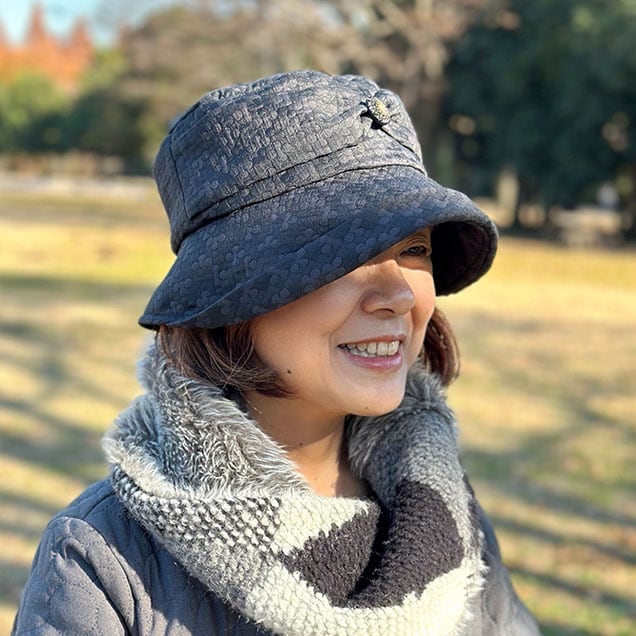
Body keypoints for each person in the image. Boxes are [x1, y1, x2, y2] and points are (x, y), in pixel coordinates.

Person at [12, 70, 540, 635]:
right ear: (232, 297)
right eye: (348, 253)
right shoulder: (103, 561)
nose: (400, 294)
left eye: (415, 249)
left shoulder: (445, 514)